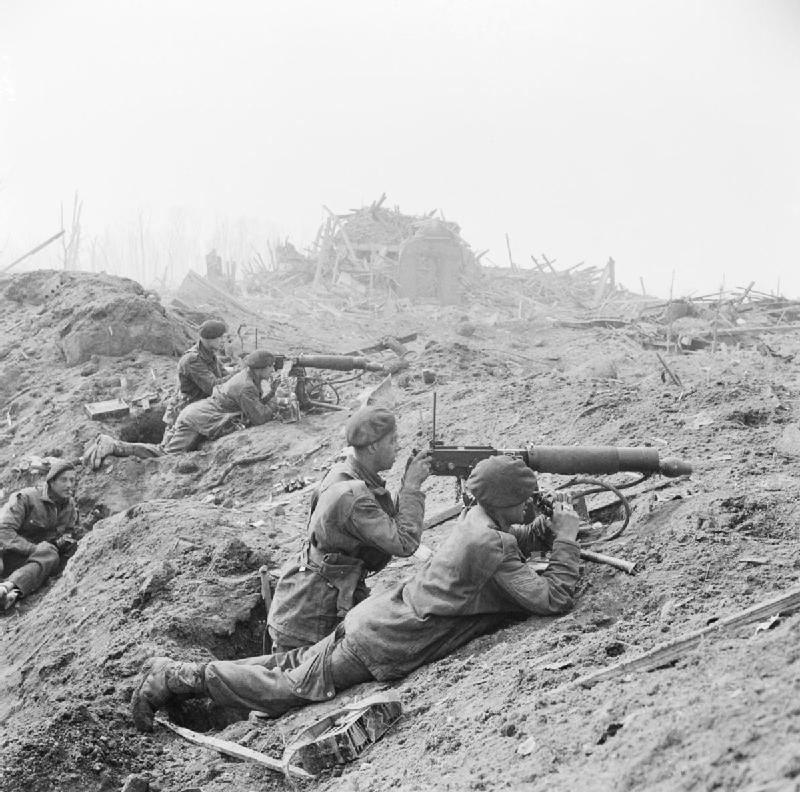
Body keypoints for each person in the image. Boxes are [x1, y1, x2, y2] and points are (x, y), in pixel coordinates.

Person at [131, 455, 582, 732]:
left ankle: (182, 673)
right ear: (504, 502)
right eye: (525, 500)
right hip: (384, 640)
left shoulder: (477, 522)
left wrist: (539, 530)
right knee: (290, 685)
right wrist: (563, 540)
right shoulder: (492, 540)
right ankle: (175, 679)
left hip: (379, 618)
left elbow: (498, 550)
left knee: (288, 664)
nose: (529, 506)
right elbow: (552, 600)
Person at [267, 406, 432, 653]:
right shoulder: (352, 495)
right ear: (373, 446)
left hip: (316, 600)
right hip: (310, 619)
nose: (398, 446)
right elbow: (404, 542)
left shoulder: (344, 473)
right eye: (392, 440)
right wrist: (411, 487)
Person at [83, 350, 280, 468]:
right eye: (270, 367)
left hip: (200, 414)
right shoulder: (245, 386)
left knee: (168, 450)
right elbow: (260, 418)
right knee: (166, 454)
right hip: (196, 419)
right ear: (260, 369)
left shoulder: (248, 377)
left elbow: (256, 405)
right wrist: (277, 398)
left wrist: (273, 391)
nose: (273, 371)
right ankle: (116, 446)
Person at [0, 460, 79, 610]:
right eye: (64, 480)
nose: (69, 485)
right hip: (7, 553)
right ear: (51, 481)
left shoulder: (70, 507)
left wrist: (62, 542)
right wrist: (33, 549)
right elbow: (4, 532)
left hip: (32, 561)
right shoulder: (26, 497)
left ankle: (9, 591)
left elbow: (69, 531)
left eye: (72, 480)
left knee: (51, 556)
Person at [163, 319, 230, 426]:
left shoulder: (210, 354)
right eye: (220, 337)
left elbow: (225, 375)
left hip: (198, 409)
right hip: (184, 413)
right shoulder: (193, 359)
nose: (223, 341)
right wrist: (237, 372)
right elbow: (213, 387)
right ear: (209, 339)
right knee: (171, 443)